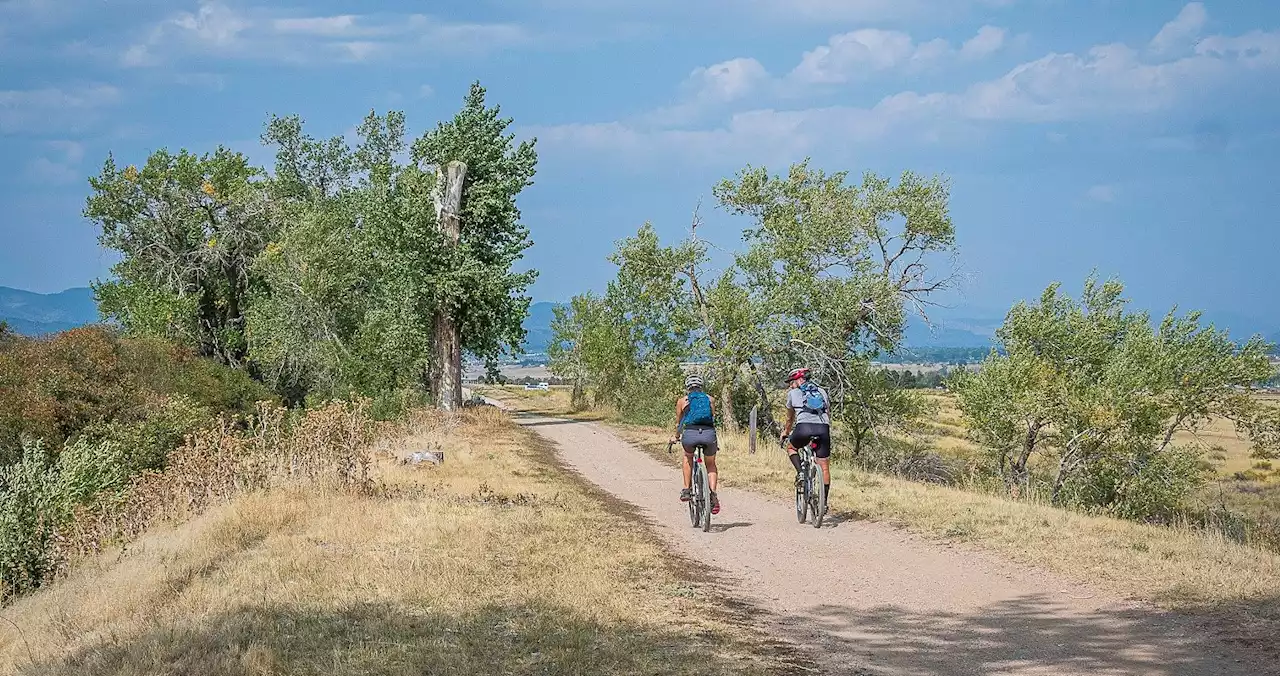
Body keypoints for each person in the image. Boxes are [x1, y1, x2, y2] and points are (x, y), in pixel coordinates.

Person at [780, 367, 831, 513]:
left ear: (797, 380)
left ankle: (801, 472)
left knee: (791, 447)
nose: (790, 385)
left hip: (803, 428)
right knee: (825, 466)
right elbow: (828, 412)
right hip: (823, 428)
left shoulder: (793, 393)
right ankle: (824, 502)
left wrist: (785, 432)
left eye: (791, 382)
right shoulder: (822, 392)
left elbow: (790, 418)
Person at [671, 373, 721, 514]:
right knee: (710, 464)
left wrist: (676, 437)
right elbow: (712, 419)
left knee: (688, 457)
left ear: (687, 387)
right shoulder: (710, 399)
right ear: (701, 386)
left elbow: (679, 423)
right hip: (708, 434)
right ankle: (713, 494)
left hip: (690, 434)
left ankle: (687, 490)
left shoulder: (683, 401)